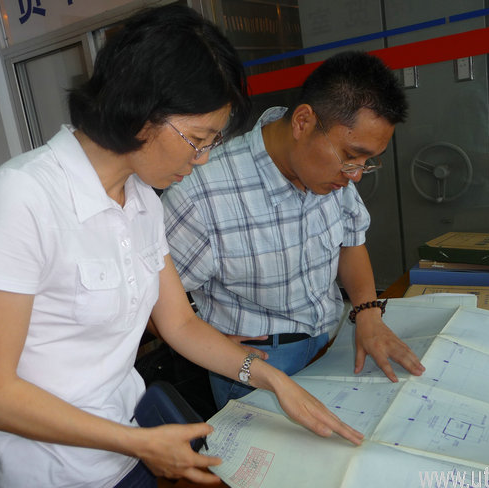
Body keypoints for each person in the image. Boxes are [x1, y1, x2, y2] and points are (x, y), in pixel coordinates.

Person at [0, 6, 363, 488]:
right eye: (198, 139)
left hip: (125, 450)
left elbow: (180, 324)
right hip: (45, 471)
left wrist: (274, 381)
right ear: (141, 112)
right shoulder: (23, 196)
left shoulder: (142, 200)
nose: (203, 158)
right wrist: (137, 444)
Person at [161, 50, 426, 409]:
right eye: (351, 155)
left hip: (330, 341)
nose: (356, 175)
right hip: (256, 362)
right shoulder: (201, 194)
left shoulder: (331, 176)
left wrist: (367, 311)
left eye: (367, 162)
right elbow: (148, 301)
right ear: (303, 122)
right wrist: (203, 340)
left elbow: (350, 242)